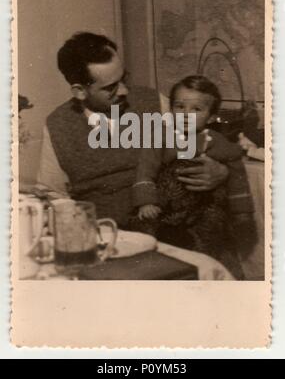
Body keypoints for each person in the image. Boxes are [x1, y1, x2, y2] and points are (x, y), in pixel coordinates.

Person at [37, 32, 230, 229]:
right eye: (110, 87)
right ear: (80, 91)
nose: (124, 91)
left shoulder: (153, 101)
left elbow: (208, 139)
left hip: (169, 225)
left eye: (124, 78)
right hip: (105, 234)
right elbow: (52, 196)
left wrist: (222, 172)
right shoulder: (57, 125)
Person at [130, 76, 257, 278]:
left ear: (211, 117)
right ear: (171, 110)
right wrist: (146, 202)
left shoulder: (217, 141)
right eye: (180, 107)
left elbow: (236, 172)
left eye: (196, 109)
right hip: (167, 210)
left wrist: (242, 211)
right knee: (162, 247)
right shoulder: (160, 137)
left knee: (213, 243)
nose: (186, 115)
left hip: (204, 208)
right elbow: (146, 169)